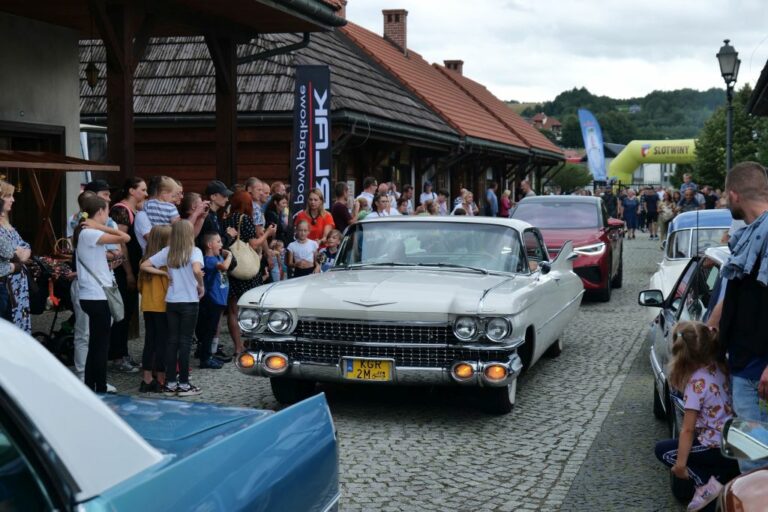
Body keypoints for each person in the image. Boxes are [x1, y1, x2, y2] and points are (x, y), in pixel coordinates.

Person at [654, 321, 736, 511]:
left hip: (714, 446)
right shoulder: (719, 366)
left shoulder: (695, 384)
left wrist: (681, 466)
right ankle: (716, 481)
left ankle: (705, 486)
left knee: (663, 451)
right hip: (732, 443)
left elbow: (688, 429)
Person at [719, 161, 768, 473]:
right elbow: (737, 295)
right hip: (746, 369)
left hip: (758, 376)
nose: (725, 202)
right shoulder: (751, 237)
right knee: (751, 467)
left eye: (726, 196)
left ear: (734, 195)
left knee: (754, 471)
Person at [74, 194, 131, 393]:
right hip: (96, 295)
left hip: (92, 294)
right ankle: (99, 385)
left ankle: (93, 383)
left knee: (97, 343)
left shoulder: (85, 233)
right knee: (100, 344)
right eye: (106, 211)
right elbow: (125, 237)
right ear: (99, 212)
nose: (108, 216)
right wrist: (100, 226)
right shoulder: (90, 233)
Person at [141, 220, 204, 396]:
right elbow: (197, 270)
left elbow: (144, 265)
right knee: (185, 342)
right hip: (189, 301)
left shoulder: (168, 252)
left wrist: (164, 272)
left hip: (172, 301)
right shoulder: (195, 251)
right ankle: (183, 384)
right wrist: (201, 285)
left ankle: (170, 383)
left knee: (171, 341)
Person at [223, 191, 273, 354]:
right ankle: (251, 342)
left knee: (232, 310)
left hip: (233, 267)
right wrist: (267, 233)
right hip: (247, 270)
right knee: (252, 306)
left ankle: (238, 346)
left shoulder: (226, 219)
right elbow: (254, 243)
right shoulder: (246, 219)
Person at [108, 177, 147, 373]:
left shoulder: (134, 211)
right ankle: (117, 355)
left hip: (130, 268)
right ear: (131, 191)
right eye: (142, 189)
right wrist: (129, 272)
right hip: (123, 270)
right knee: (121, 312)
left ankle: (121, 352)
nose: (145, 194)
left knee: (128, 311)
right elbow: (120, 242)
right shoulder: (122, 210)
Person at [137, 225, 171, 393]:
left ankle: (147, 377)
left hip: (148, 306)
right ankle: (162, 378)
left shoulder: (144, 261)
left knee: (150, 341)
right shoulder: (164, 263)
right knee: (163, 342)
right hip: (163, 306)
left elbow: (140, 286)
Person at [196, 232, 232, 370]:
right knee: (209, 330)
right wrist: (229, 256)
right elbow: (224, 267)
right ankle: (205, 358)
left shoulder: (217, 257)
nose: (221, 244)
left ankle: (209, 354)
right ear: (209, 245)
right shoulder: (209, 260)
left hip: (219, 299)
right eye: (218, 241)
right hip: (212, 299)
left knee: (212, 329)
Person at [0, 181, 31, 332]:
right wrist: (16, 257)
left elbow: (25, 248)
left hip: (17, 285)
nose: (13, 200)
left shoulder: (7, 223)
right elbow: (10, 252)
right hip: (7, 283)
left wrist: (20, 254)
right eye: (8, 196)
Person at [197, 180, 236, 251]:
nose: (227, 199)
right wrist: (229, 235)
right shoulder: (206, 216)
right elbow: (212, 244)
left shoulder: (214, 215)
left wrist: (226, 233)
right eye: (224, 195)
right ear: (213, 196)